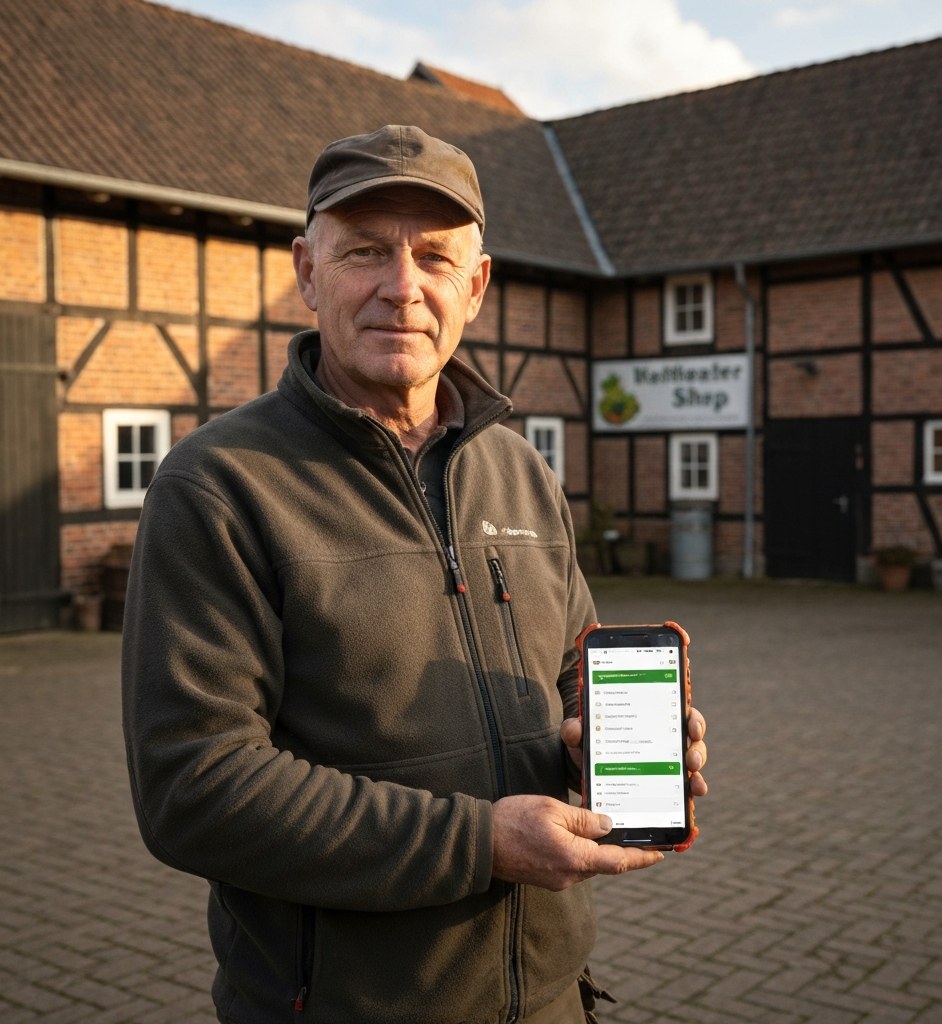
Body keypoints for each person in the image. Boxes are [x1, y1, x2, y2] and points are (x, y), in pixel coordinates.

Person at [121, 124, 708, 1024]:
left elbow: (562, 676)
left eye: (434, 257)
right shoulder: (218, 485)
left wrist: (605, 742)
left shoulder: (521, 470)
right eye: (365, 251)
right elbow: (194, 789)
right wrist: (480, 842)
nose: (402, 288)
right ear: (307, 271)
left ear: (474, 287)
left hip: (550, 999)